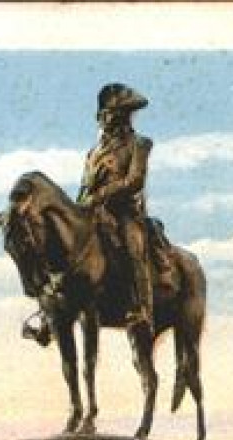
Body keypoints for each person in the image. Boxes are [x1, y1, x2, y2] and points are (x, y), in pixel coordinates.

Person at [78, 83, 154, 334]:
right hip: (93, 211)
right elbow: (84, 186)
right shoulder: (93, 153)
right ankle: (50, 314)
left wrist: (102, 194)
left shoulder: (139, 144)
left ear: (122, 116)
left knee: (133, 247)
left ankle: (142, 309)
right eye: (103, 114)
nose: (104, 119)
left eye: (110, 114)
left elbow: (135, 181)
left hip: (124, 211)